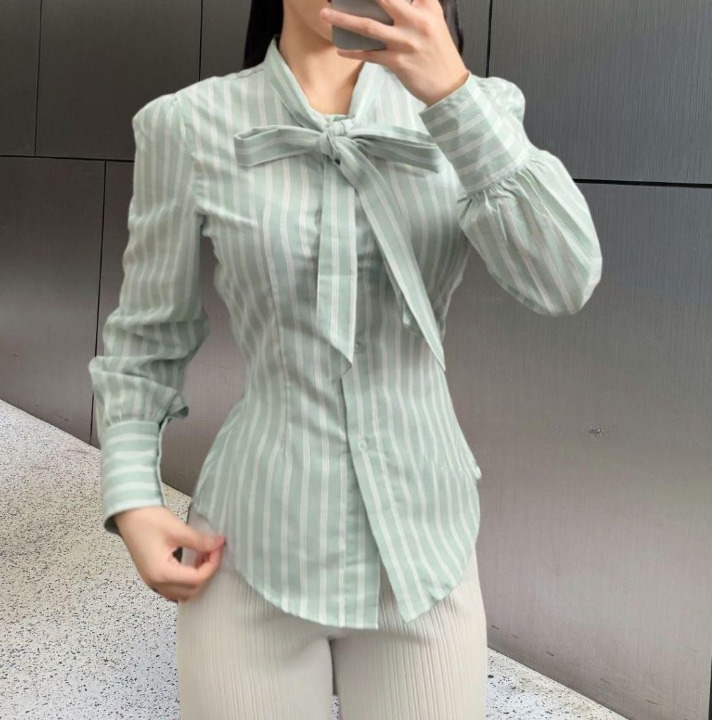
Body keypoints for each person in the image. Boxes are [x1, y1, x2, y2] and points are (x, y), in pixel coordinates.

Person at [88, 0, 603, 717]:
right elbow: (146, 337)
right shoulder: (187, 123)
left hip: (425, 546)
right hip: (250, 542)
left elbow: (564, 281)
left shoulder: (479, 106)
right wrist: (132, 495)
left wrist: (453, 96)